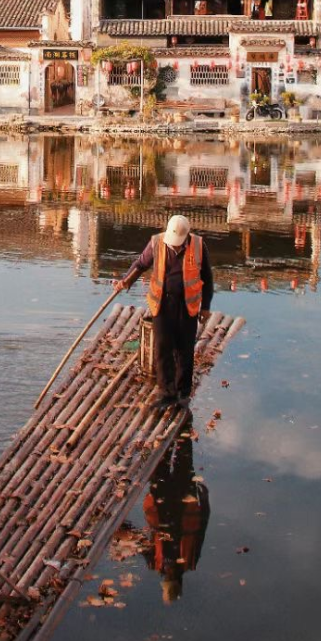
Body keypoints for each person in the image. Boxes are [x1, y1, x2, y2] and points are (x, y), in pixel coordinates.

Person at [122, 214, 213, 407]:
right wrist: (126, 281)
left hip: (187, 304)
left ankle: (183, 391)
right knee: (162, 348)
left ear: (187, 236)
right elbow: (140, 265)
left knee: (185, 349)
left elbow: (208, 277)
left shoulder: (198, 246)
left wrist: (205, 307)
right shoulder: (156, 242)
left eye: (179, 244)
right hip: (162, 304)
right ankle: (166, 391)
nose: (176, 246)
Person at [140, 428, 210, 604]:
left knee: (160, 467)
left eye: (166, 579)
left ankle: (164, 432)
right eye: (170, 578)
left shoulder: (156, 564)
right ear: (177, 579)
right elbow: (201, 530)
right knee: (183, 461)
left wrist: (122, 533)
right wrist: (205, 502)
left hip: (161, 505)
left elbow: (142, 544)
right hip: (183, 502)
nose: (167, 574)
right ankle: (183, 425)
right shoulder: (190, 560)